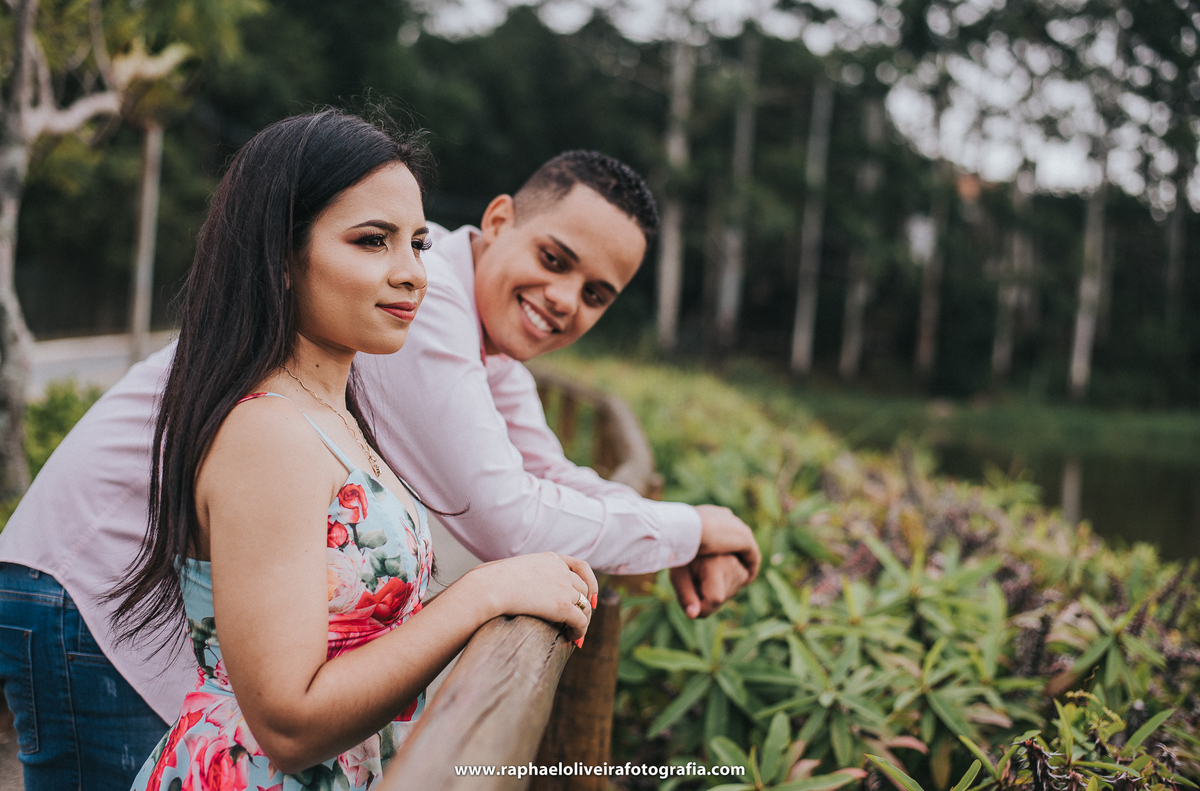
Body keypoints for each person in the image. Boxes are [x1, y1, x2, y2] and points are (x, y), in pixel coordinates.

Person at [0, 126, 760, 790]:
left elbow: (549, 477)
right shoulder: (414, 320)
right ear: (499, 220)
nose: (566, 299)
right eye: (555, 258)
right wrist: (694, 529)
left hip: (199, 594)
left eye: (597, 293)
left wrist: (689, 530)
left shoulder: (462, 330)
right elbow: (509, 516)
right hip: (92, 580)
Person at [109, 110, 599, 789]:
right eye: (373, 241)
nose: (413, 275)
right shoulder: (268, 433)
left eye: (419, 243)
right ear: (280, 256)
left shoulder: (332, 414)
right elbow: (288, 723)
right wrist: (482, 593)